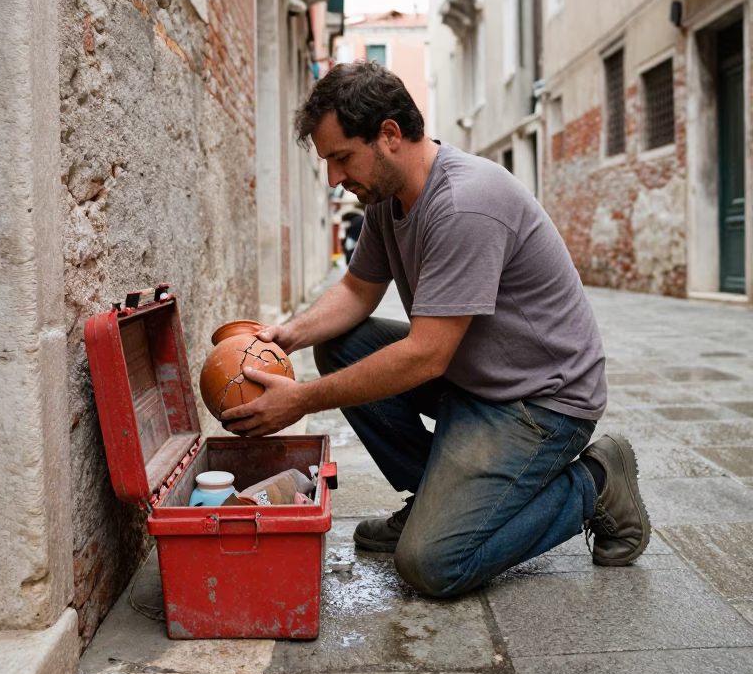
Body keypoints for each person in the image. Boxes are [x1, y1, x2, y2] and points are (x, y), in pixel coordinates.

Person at [221, 62, 650, 596]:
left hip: (540, 405)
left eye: (340, 158)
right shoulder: (388, 198)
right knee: (342, 345)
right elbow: (357, 291)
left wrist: (302, 400)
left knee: (432, 564)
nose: (334, 178)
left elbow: (425, 356)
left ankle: (596, 484)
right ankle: (432, 498)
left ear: (389, 135)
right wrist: (293, 332)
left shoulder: (466, 203)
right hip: (475, 380)